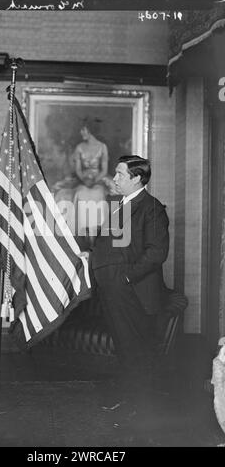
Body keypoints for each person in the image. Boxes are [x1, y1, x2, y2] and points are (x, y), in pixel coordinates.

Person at [88, 155, 169, 381]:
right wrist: (91, 255)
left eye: (120, 174)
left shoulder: (152, 208)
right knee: (124, 351)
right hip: (112, 291)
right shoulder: (118, 205)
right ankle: (130, 405)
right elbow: (109, 246)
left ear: (137, 179)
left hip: (134, 292)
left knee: (137, 354)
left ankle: (142, 409)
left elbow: (156, 252)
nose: (114, 178)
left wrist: (124, 278)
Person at [52, 121, 115, 246]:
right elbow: (78, 170)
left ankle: (96, 233)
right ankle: (81, 232)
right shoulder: (80, 147)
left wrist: (94, 180)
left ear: (90, 130)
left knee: (98, 193)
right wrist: (84, 179)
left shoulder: (102, 147)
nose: (81, 133)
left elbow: (104, 170)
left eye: (83, 130)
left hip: (99, 179)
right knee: (80, 193)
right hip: (83, 179)